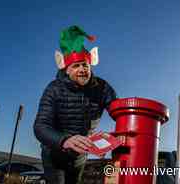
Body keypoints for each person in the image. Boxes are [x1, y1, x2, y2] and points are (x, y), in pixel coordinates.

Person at [33, 25, 117, 184]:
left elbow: (117, 112)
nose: (82, 69)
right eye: (76, 66)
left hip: (80, 156)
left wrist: (112, 139)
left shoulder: (102, 87)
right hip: (54, 154)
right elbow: (40, 126)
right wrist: (64, 140)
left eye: (85, 65)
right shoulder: (53, 89)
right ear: (67, 70)